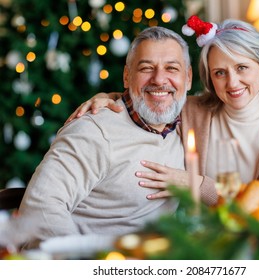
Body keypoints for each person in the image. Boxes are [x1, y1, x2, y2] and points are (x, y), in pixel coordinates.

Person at [67, 16, 259, 202]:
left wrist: (196, 185)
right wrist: (107, 97)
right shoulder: (192, 110)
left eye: (242, 68)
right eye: (220, 73)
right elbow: (151, 95)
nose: (232, 82)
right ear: (209, 78)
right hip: (193, 238)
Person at [13, 26, 212, 246]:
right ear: (127, 76)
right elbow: (40, 207)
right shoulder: (95, 131)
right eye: (146, 68)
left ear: (189, 77)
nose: (159, 79)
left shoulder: (185, 122)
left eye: (171, 68)